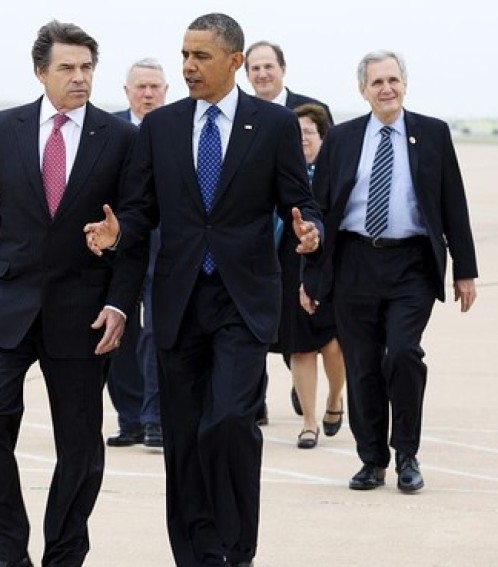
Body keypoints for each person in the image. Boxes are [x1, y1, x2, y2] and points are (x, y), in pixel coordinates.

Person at [85, 13, 323, 566]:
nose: (189, 67)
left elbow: (300, 200)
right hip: (179, 300)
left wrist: (311, 230)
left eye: (201, 56)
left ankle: (236, 550)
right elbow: (140, 209)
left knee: (230, 422)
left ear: (235, 61)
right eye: (185, 56)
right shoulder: (162, 127)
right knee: (185, 436)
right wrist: (119, 232)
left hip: (243, 298)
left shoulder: (272, 124)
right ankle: (194, 554)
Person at [0, 20, 140, 567]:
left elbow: (136, 231)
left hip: (84, 311)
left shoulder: (121, 138)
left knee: (80, 444)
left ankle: (64, 556)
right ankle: (6, 552)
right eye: (67, 68)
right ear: (40, 72)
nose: (80, 78)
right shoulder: (1, 128)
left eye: (87, 68)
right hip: (4, 303)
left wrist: (120, 303)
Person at [302, 50, 478, 492]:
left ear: (405, 84)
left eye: (393, 80)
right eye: (377, 82)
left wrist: (465, 270)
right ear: (363, 90)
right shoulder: (342, 139)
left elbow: (453, 204)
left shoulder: (432, 134)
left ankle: (407, 454)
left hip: (411, 264)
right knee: (362, 365)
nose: (387, 89)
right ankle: (372, 460)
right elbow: (318, 210)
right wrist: (311, 275)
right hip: (354, 262)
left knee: (402, 353)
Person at [244, 39, 336, 423]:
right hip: (253, 234)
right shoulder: (241, 113)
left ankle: (304, 387)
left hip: (296, 233)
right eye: (255, 68)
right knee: (248, 321)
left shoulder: (310, 110)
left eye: (269, 66)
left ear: (282, 69)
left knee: (295, 323)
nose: (263, 74)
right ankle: (253, 402)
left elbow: (330, 168)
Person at [106, 57, 168, 449]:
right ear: (127, 92)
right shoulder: (110, 129)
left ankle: (155, 418)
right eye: (140, 87)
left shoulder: (177, 128)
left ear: (166, 91)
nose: (147, 94)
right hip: (119, 243)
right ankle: (129, 419)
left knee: (157, 331)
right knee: (118, 332)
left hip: (166, 242)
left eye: (154, 87)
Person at [280, 103, 345, 449]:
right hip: (290, 265)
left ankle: (335, 398)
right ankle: (308, 422)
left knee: (333, 345)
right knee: (300, 346)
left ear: (322, 137)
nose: (302, 139)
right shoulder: (282, 171)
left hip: (332, 265)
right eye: (296, 133)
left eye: (308, 132)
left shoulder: (336, 171)